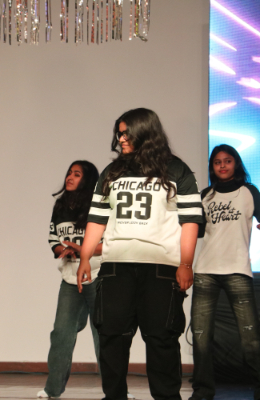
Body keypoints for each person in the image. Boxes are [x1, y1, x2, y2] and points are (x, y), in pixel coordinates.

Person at [76, 108, 203, 400]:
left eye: (126, 133)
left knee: (161, 339)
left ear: (145, 131)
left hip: (160, 267)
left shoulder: (176, 170)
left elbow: (190, 221)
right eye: (119, 133)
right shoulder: (112, 172)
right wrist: (85, 257)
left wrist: (186, 263)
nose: (121, 139)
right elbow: (97, 218)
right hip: (116, 266)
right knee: (111, 337)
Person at [190, 144, 260, 400]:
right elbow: (196, 232)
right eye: (217, 162)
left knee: (250, 336)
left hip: (238, 269)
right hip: (206, 270)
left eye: (227, 160)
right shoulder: (205, 195)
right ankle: (202, 391)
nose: (222, 165)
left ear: (236, 163)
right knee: (200, 337)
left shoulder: (250, 192)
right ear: (212, 166)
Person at [37, 160, 103, 399]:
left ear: (88, 180)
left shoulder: (99, 206)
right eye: (69, 173)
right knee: (61, 334)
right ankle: (52, 389)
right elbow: (53, 238)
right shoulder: (61, 205)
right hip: (70, 279)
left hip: (98, 277)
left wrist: (83, 250)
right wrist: (62, 250)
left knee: (104, 336)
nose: (70, 177)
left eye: (77, 174)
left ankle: (116, 391)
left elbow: (109, 244)